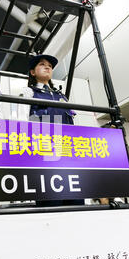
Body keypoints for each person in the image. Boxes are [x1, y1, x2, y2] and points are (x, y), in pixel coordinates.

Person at [19, 54, 83, 207]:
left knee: (77, 203)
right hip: (44, 154)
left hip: (69, 155)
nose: (47, 67)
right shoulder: (28, 92)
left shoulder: (62, 96)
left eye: (50, 65)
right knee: (51, 203)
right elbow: (22, 123)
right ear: (33, 72)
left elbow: (73, 124)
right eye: (42, 64)